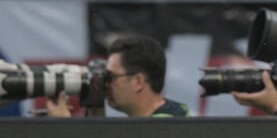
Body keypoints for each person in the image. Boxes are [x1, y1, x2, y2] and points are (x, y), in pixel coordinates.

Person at [47, 34, 190, 117]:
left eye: (110, 77)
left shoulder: (168, 126)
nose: (106, 84)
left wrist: (64, 128)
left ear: (138, 82)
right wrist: (96, 112)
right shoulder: (173, 114)